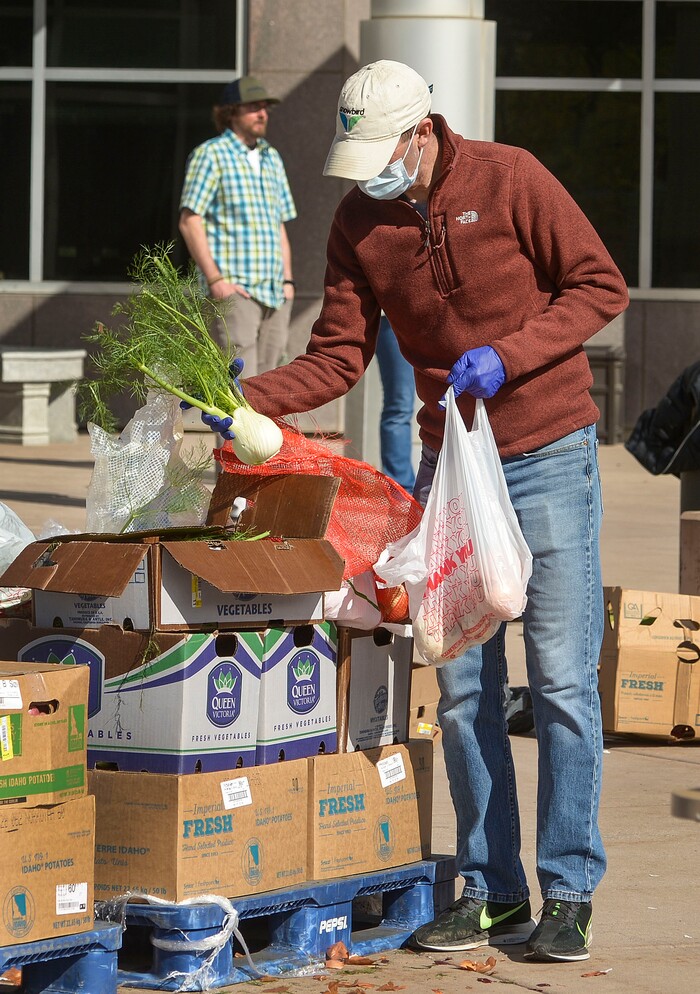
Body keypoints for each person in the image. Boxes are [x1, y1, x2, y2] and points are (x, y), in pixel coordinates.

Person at [203, 60, 629, 962]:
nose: (367, 174)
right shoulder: (360, 219)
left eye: (380, 153)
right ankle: (490, 886)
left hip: (547, 452)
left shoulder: (510, 177)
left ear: (423, 131)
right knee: (465, 684)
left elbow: (599, 286)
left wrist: (508, 358)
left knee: (557, 679)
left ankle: (568, 889)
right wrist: (250, 402)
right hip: (450, 468)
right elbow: (339, 353)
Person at [179, 76, 297, 376]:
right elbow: (190, 221)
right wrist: (217, 280)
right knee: (239, 385)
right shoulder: (210, 155)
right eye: (253, 108)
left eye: (265, 108)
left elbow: (279, 224)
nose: (262, 114)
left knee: (273, 384)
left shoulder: (272, 157)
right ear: (231, 112)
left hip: (275, 291)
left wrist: (288, 282)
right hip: (236, 287)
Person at [376, 313, 416, 492]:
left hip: (438, 314)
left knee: (449, 400)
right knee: (400, 404)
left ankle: (445, 485)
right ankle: (400, 490)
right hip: (392, 316)